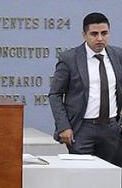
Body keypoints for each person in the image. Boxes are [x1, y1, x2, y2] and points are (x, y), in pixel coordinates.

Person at [48, 12, 122, 163]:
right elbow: (55, 94)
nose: (100, 38)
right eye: (94, 34)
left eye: (104, 33)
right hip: (81, 129)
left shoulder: (118, 55)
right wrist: (63, 126)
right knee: (81, 173)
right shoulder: (69, 59)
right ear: (84, 35)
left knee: (110, 174)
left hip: (111, 129)